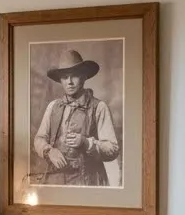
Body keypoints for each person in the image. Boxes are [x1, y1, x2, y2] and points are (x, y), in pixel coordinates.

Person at [32, 49, 120, 186]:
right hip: (56, 181)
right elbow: (39, 139)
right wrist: (49, 151)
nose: (70, 82)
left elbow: (112, 149)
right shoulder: (53, 107)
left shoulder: (99, 107)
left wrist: (87, 143)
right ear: (60, 80)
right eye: (65, 77)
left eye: (75, 76)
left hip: (88, 182)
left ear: (84, 77)